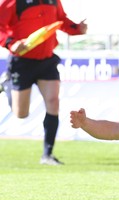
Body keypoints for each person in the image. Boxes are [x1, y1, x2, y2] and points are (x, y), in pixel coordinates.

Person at [0, 0, 87, 165]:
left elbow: (60, 20)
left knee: (53, 102)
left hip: (47, 60)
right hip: (21, 62)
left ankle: (47, 155)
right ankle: (7, 83)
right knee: (21, 113)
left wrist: (77, 29)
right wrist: (10, 43)